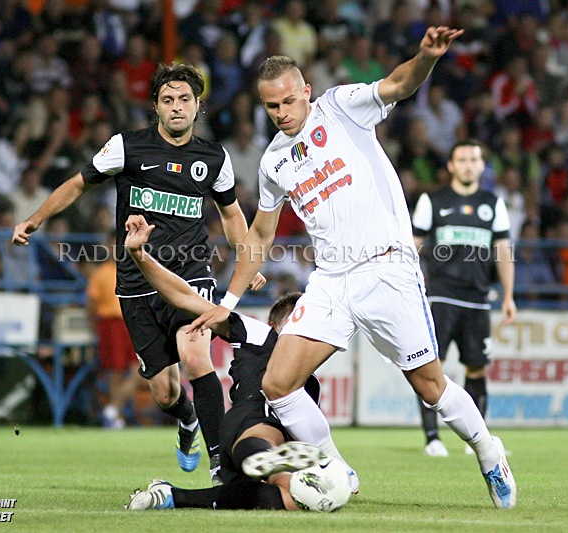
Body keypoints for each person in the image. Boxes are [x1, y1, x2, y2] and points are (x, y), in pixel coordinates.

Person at [190, 27, 517, 509]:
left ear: (306, 92)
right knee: (277, 385)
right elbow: (260, 236)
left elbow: (399, 84)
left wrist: (425, 57)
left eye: (287, 102)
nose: (281, 114)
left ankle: (489, 452)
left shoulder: (340, 106)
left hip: (386, 268)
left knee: (430, 387)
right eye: (271, 107)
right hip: (330, 281)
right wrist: (229, 303)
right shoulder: (274, 161)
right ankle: (335, 469)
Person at [12, 63, 265, 485]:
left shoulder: (213, 157)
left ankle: (222, 463)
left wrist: (247, 262)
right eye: (168, 100)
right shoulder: (126, 148)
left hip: (190, 276)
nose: (177, 107)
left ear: (198, 106)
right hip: (136, 285)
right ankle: (186, 421)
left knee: (197, 354)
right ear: (156, 107)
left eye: (185, 99)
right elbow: (77, 183)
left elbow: (232, 215)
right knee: (165, 393)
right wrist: (35, 219)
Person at [121, 214, 334, 511]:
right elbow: (185, 297)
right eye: (296, 320)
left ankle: (171, 496)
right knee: (275, 454)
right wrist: (139, 256)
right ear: (274, 324)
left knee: (283, 502)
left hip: (258, 448)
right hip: (248, 427)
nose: (304, 329)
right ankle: (273, 467)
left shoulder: (308, 376)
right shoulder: (258, 334)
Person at [410, 140, 516, 457]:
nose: (469, 164)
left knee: (477, 369)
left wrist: (509, 296)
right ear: (451, 166)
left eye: (474, 159)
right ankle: (432, 439)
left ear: (482, 166)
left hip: (478, 300)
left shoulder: (493, 203)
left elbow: (503, 252)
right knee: (431, 370)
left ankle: (477, 440)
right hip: (441, 298)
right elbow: (412, 247)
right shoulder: (433, 200)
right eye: (462, 159)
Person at [86, 231, 141, 429]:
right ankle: (114, 416)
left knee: (139, 370)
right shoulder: (101, 273)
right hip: (111, 323)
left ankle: (112, 408)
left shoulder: (134, 270)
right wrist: (96, 327)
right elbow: (91, 304)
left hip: (132, 322)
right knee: (115, 372)